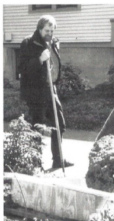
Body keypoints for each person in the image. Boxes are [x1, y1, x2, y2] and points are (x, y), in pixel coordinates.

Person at [19, 15, 73, 169]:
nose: (50, 33)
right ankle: (35, 164)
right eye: (47, 30)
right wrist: (39, 59)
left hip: (51, 89)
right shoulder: (28, 43)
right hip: (35, 92)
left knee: (59, 124)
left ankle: (58, 160)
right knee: (37, 126)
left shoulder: (52, 42)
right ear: (39, 28)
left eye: (52, 30)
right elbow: (22, 69)